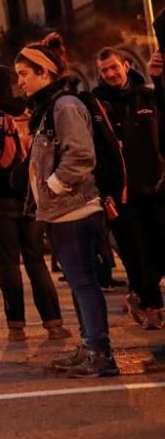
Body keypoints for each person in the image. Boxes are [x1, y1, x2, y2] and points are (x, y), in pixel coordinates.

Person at [16, 33, 118, 377]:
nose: (20, 81)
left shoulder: (65, 106)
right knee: (78, 283)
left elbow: (80, 155)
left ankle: (100, 353)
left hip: (75, 208)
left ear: (44, 73)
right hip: (62, 211)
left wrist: (53, 185)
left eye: (24, 74)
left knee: (84, 283)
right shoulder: (48, 108)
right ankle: (90, 344)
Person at [0, 65, 67, 342]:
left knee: (8, 264)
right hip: (31, 198)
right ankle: (54, 323)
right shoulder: (29, 112)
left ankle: (17, 328)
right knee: (36, 260)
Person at [92, 47, 165, 329]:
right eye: (104, 71)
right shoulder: (96, 104)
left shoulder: (147, 94)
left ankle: (138, 293)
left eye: (114, 67)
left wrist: (158, 79)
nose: (110, 74)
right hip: (120, 193)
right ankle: (151, 308)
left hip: (156, 187)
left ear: (125, 65)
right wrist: (103, 191)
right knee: (136, 252)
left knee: (159, 247)